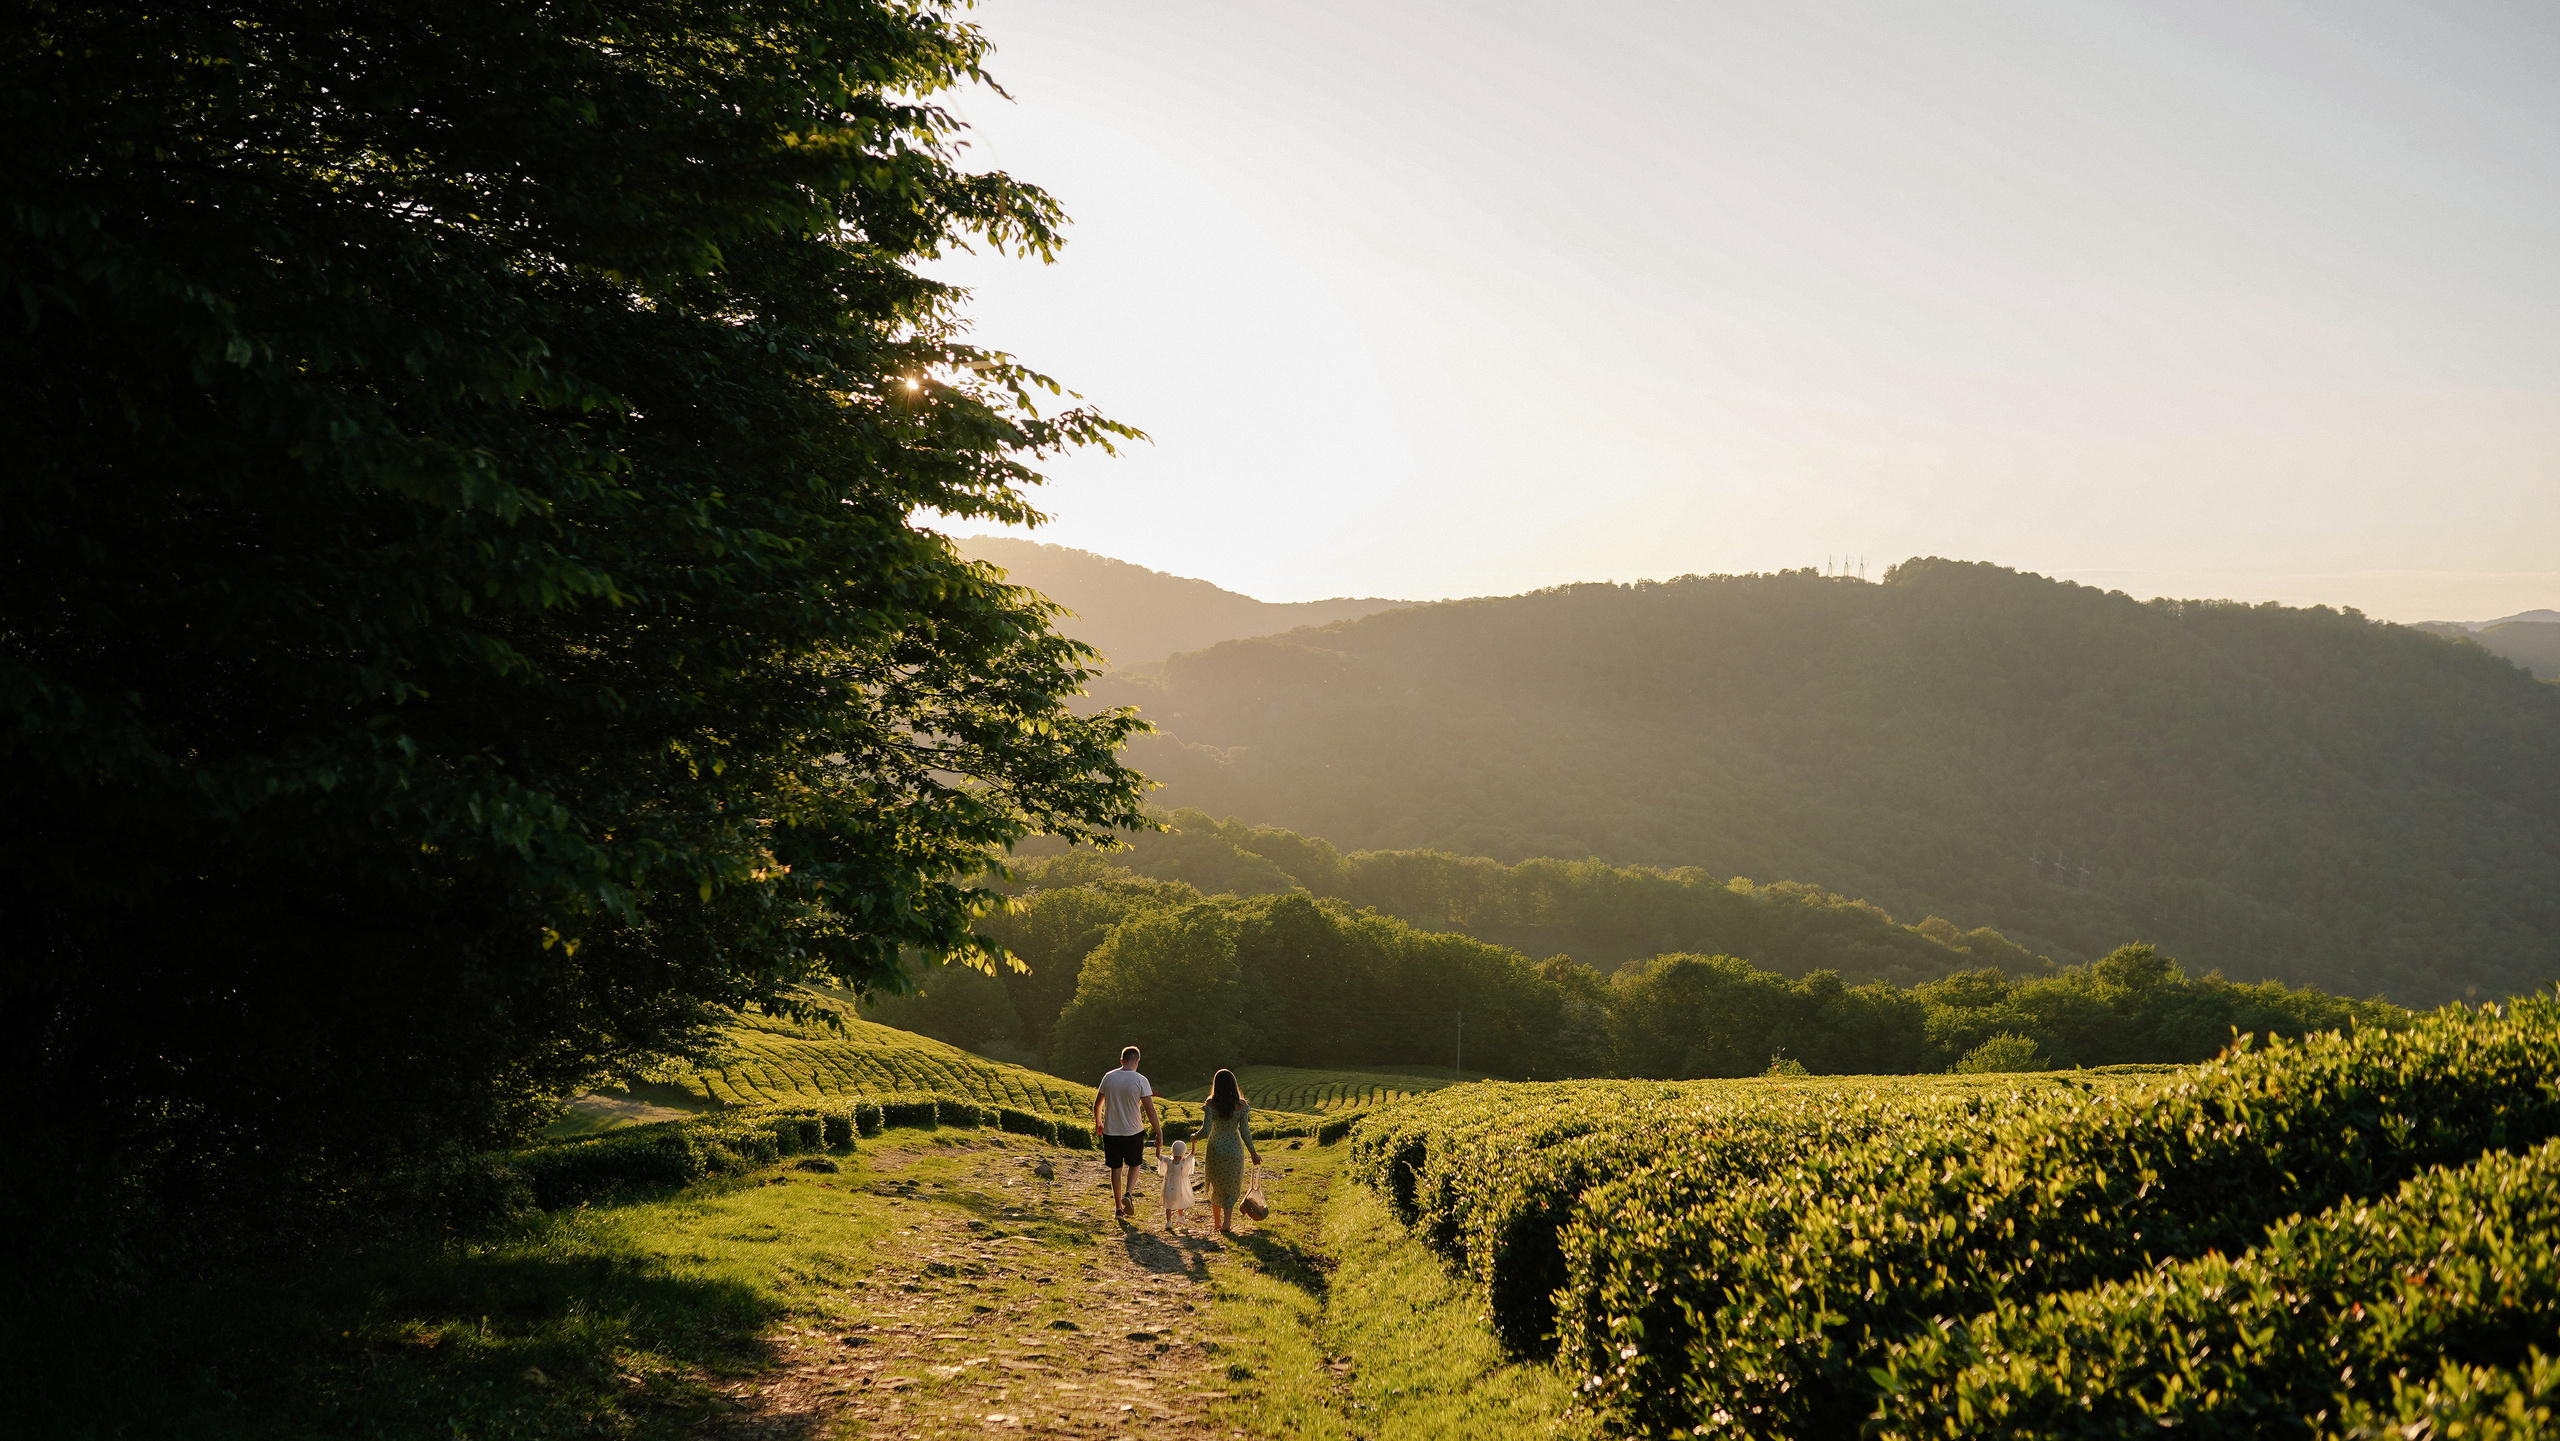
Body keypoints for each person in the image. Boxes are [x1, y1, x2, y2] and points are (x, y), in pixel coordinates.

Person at [1092, 1044, 1161, 1219]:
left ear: (1121, 1060)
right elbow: (1150, 1110)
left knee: (1116, 1169)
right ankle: (1128, 1194)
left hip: (1111, 1131)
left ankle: (1118, 1209)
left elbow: (1097, 1104)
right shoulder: (1141, 1080)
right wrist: (1158, 1131)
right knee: (1135, 1164)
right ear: (1136, 1061)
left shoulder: (1108, 1077)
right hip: (1134, 1131)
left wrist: (1098, 1123)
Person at [1194, 1067, 1261, 1235]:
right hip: (1234, 1149)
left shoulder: (1211, 1104)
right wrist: (1253, 1153)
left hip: (1215, 1149)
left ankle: (1216, 1222)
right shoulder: (1241, 1105)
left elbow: (1206, 1130)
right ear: (1234, 1085)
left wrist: (1194, 1136)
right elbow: (1245, 1132)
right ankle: (1227, 1222)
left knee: (1216, 1185)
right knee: (1231, 1185)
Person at [1160, 1139, 1197, 1231]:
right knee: (1180, 1201)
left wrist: (1158, 1146)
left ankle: (1168, 1222)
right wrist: (1193, 1144)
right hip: (1179, 1187)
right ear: (1183, 1151)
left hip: (1169, 1186)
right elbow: (1192, 1154)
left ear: (1172, 1151)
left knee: (1168, 1204)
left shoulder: (1168, 1161)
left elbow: (1158, 1156)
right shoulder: (1183, 1162)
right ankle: (1180, 1216)